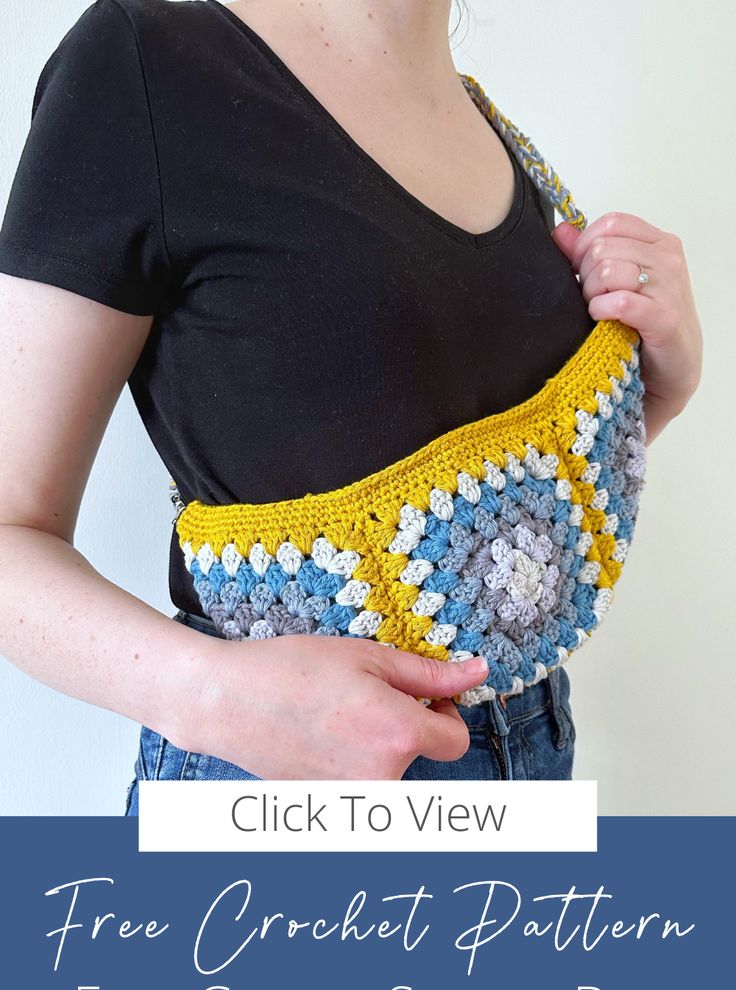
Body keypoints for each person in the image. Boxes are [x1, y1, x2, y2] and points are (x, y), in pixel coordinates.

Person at [0, 1, 702, 811]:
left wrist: (663, 387)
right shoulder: (144, 67)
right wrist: (210, 697)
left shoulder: (492, 131)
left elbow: (501, 508)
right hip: (277, 797)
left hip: (532, 754)